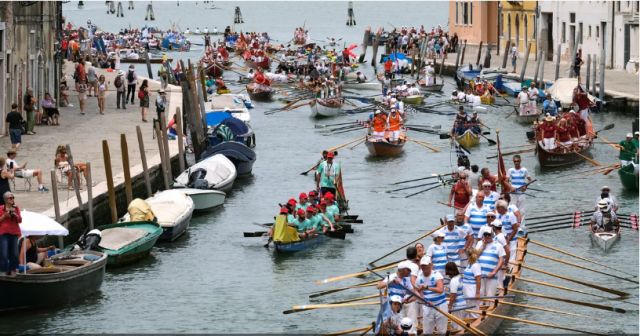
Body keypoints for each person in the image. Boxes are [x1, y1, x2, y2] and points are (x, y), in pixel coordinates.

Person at [416, 256, 447, 335]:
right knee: (427, 332)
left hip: (440, 304)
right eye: (422, 265)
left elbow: (440, 290)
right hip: (428, 306)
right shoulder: (419, 279)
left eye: (425, 265)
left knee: (442, 332)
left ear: (430, 265)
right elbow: (419, 292)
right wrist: (425, 301)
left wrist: (427, 287)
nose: (424, 267)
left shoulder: (437, 275)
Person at [475, 226, 506, 297]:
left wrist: (494, 272)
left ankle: (490, 306)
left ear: (492, 235)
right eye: (485, 235)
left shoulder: (498, 245)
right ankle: (480, 307)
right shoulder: (479, 243)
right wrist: (483, 247)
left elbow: (501, 261)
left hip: (492, 275)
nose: (487, 236)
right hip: (480, 275)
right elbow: (475, 256)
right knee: (480, 294)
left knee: (490, 295)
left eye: (488, 235)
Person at [0, 191, 21, 276]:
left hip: (14, 232)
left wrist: (16, 216)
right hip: (4, 232)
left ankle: (13, 270)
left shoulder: (16, 208)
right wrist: (5, 215)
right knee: (3, 253)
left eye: (13, 198)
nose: (12, 199)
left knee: (15, 253)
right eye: (10, 198)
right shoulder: (1, 208)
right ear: (6, 200)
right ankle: (3, 270)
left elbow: (20, 220)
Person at [506, 154, 531, 224]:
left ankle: (521, 226)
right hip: (513, 193)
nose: (516, 163)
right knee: (512, 209)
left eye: (518, 161)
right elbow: (505, 181)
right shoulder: (510, 170)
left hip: (521, 193)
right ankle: (513, 224)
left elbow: (529, 180)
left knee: (521, 210)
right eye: (515, 161)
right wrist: (510, 187)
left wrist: (526, 186)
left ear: (520, 161)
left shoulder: (524, 170)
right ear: (513, 162)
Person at [461, 247, 482, 318]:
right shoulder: (469, 264)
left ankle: (475, 321)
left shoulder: (475, 265)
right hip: (466, 290)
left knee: (473, 310)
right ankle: (467, 323)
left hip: (472, 290)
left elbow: (478, 279)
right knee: (467, 309)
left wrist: (477, 293)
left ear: (469, 255)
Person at [445, 262, 466, 330]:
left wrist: (450, 306)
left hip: (457, 306)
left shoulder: (453, 281)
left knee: (457, 327)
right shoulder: (458, 277)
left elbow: (453, 295)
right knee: (459, 324)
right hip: (462, 303)